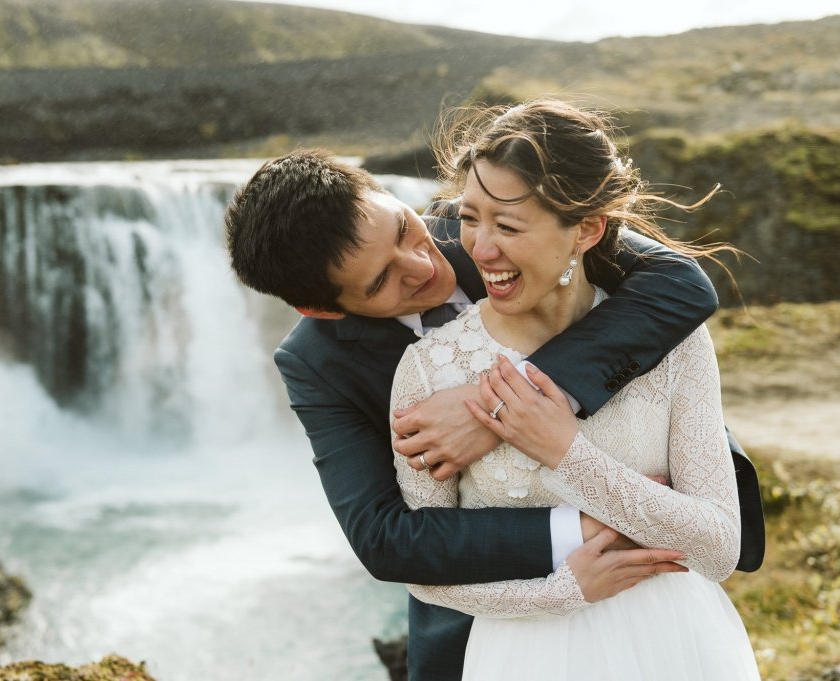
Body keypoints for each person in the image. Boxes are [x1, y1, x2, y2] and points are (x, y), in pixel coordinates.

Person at [224, 148, 762, 681]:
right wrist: (581, 532)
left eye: (402, 231)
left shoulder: (494, 221)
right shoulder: (316, 363)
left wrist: (500, 404)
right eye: (380, 281)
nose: (421, 264)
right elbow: (385, 538)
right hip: (494, 632)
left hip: (672, 597)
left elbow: (681, 283)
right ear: (320, 309)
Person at [390, 98, 760, 679]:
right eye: (468, 218)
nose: (480, 250)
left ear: (586, 230)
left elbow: (719, 547)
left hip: (678, 645)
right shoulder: (429, 371)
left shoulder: (675, 343)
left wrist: (568, 453)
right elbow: (429, 571)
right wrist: (564, 592)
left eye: (508, 226)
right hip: (523, 657)